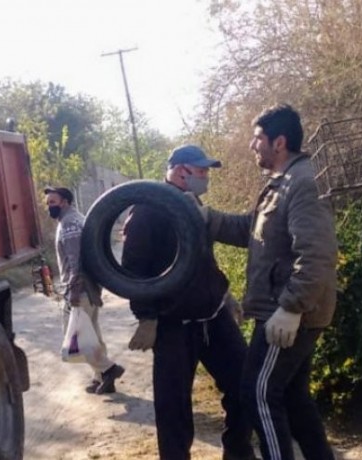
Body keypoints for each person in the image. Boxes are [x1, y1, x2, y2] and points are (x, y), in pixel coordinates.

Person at [205, 104, 338, 460]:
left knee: (257, 394)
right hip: (284, 311)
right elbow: (252, 232)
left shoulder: (303, 183)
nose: (252, 145)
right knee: (293, 400)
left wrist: (291, 307)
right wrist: (205, 218)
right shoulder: (282, 184)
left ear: (279, 142)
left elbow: (317, 255)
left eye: (258, 138)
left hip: (290, 315)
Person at [121, 145, 255, 460]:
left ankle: (238, 453)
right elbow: (133, 269)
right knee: (173, 407)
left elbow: (203, 260)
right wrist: (147, 317)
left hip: (212, 316)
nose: (206, 177)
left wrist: (224, 294)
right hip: (171, 325)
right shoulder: (148, 209)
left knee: (244, 385)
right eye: (202, 171)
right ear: (181, 171)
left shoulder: (194, 205)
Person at [44, 186, 125, 394]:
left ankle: (109, 369)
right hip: (90, 287)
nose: (48, 207)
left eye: (52, 202)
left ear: (65, 202)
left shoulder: (70, 224)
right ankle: (101, 379)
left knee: (77, 339)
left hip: (81, 289)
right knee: (92, 335)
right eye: (47, 203)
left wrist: (72, 290)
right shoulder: (76, 219)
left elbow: (75, 260)